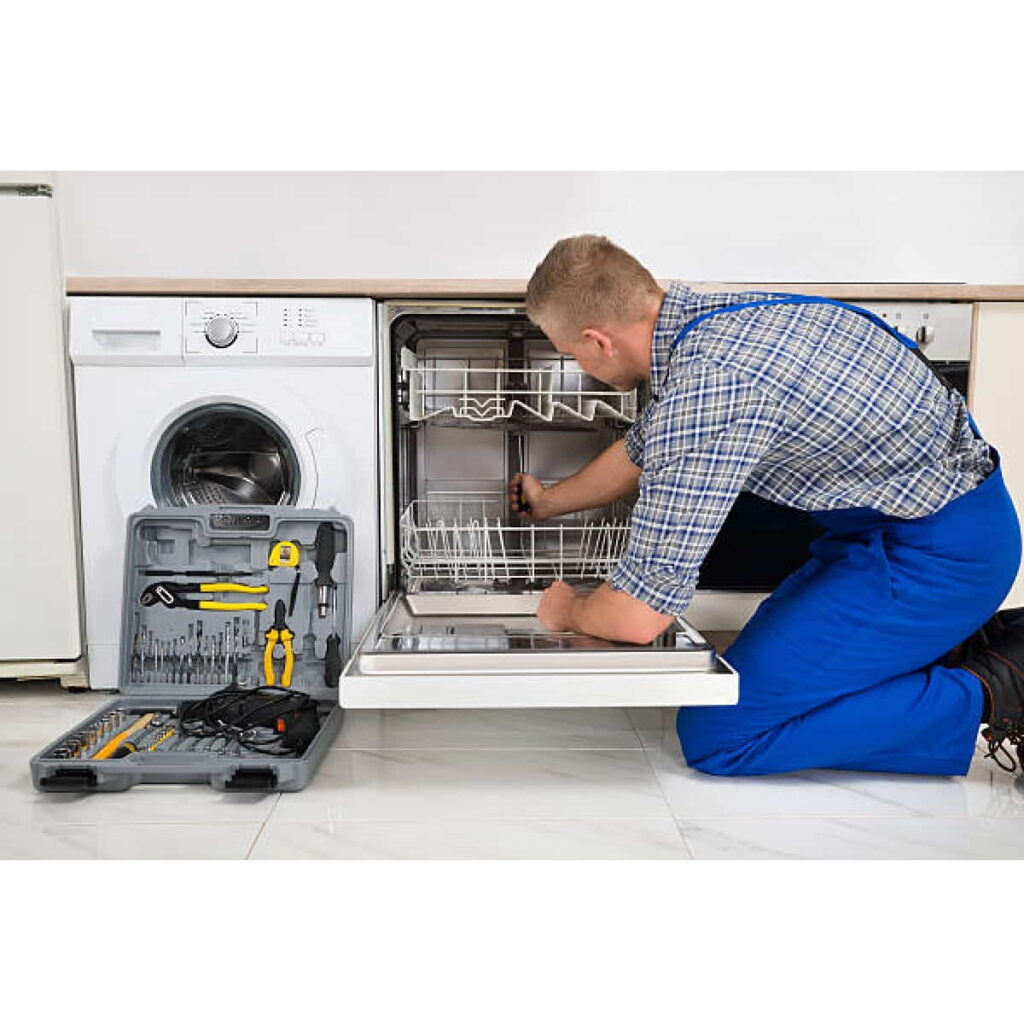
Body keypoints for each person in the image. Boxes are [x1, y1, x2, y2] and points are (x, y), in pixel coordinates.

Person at [512, 234, 1024, 776]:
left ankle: (997, 684)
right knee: (776, 690)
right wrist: (549, 502)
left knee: (722, 735)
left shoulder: (711, 389)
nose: (581, 365)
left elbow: (639, 618)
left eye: (571, 354)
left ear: (598, 342)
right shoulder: (715, 321)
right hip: (889, 534)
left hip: (936, 558)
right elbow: (644, 447)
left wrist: (566, 609)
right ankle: (948, 649)